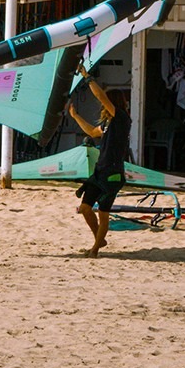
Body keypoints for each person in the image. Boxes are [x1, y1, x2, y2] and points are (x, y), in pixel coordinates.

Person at [66, 66, 132, 258]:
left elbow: (101, 96)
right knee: (85, 208)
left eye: (106, 104)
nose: (103, 107)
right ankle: (99, 239)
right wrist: (75, 116)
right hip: (99, 172)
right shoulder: (108, 123)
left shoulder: (121, 118)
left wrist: (87, 76)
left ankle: (95, 249)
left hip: (113, 173)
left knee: (103, 213)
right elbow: (92, 132)